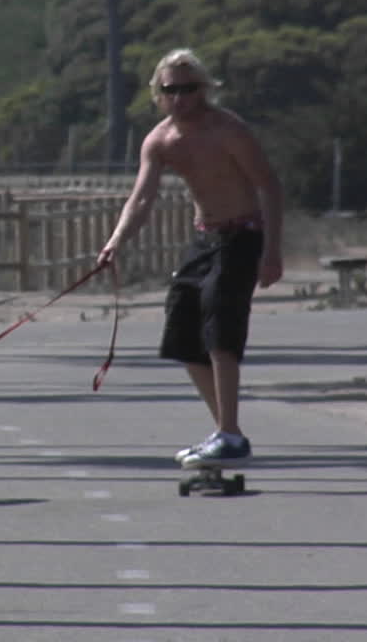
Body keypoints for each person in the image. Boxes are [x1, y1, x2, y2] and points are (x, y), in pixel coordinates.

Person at [96, 48, 284, 468]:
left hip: (244, 233)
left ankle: (230, 433)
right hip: (205, 237)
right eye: (171, 90)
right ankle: (228, 433)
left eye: (189, 88)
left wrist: (272, 251)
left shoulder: (227, 130)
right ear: (158, 94)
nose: (180, 97)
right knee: (182, 329)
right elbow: (142, 197)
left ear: (205, 89)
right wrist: (116, 241)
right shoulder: (160, 141)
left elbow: (269, 186)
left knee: (220, 319)